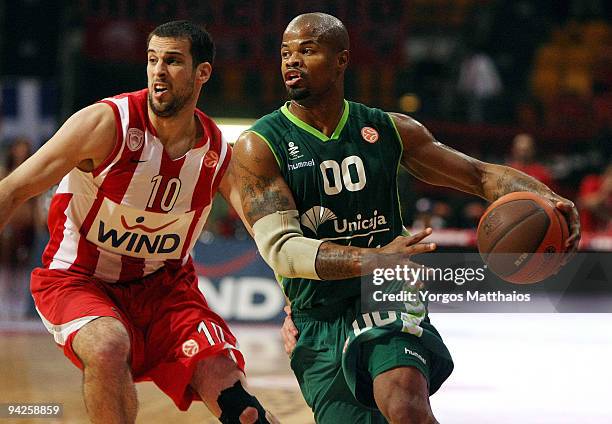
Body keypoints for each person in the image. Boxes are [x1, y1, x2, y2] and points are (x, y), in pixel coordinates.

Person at [230, 13, 580, 424]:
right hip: (318, 314)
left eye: (307, 51)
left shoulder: (389, 129)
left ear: (341, 60)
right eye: (286, 53)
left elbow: (479, 174)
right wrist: (373, 258)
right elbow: (283, 250)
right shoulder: (260, 143)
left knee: (405, 406)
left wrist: (550, 198)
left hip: (386, 291)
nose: (292, 61)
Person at [0, 21, 277, 424]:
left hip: (166, 291)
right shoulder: (105, 123)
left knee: (243, 407)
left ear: (202, 73)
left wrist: (295, 304)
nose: (158, 71)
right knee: (108, 345)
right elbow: (11, 191)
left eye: (173, 61)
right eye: (152, 60)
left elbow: (269, 235)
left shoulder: (219, 152)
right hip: (80, 278)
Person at [0, 137, 43, 320]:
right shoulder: (4, 172)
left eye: (25, 149)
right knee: (5, 266)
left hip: (27, 226)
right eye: (18, 148)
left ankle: (18, 308)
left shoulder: (34, 174)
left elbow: (37, 201)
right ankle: (4, 306)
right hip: (8, 225)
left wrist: (39, 221)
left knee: (22, 266)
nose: (21, 152)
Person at [577, 163, 612, 233]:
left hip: (607, 235)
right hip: (587, 233)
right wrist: (605, 191)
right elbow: (584, 203)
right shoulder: (592, 182)